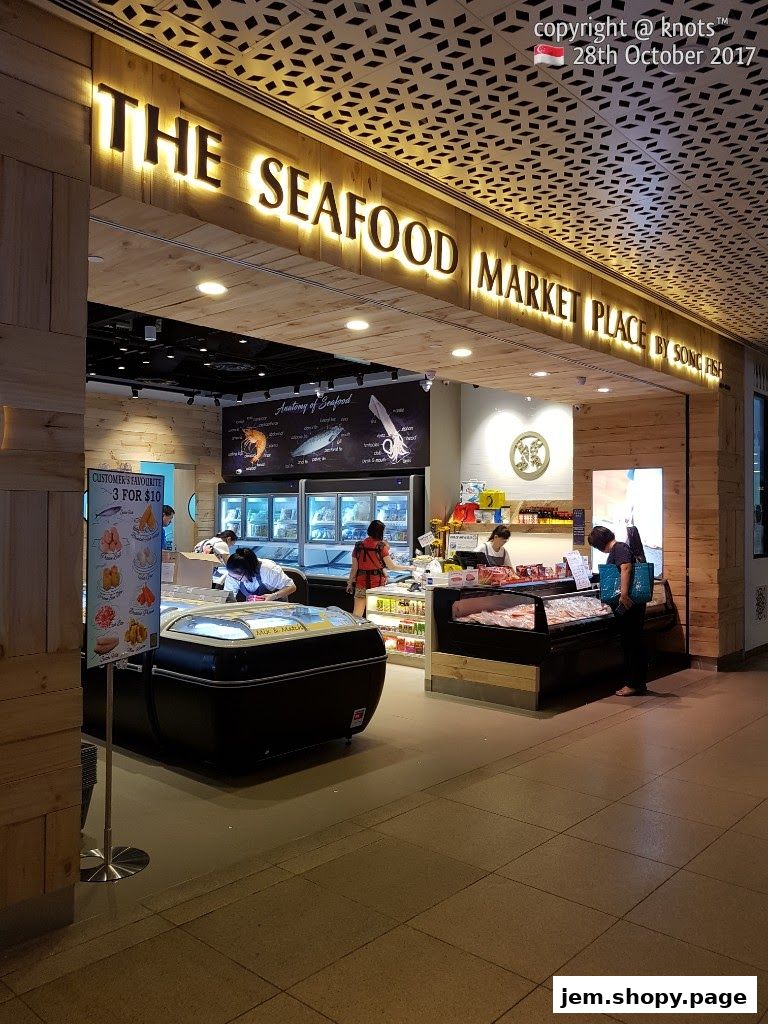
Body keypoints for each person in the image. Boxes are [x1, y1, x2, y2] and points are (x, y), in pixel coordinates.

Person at [588, 525, 648, 697]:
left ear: (599, 544)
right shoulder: (621, 547)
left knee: (631, 643)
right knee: (633, 642)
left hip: (629, 604)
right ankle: (637, 682)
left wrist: (623, 594)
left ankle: (632, 684)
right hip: (632, 604)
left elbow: (626, 568)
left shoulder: (619, 548)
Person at [346, 519, 414, 617]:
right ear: (380, 532)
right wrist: (409, 567)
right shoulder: (381, 547)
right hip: (377, 585)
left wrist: (349, 583)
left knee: (357, 614)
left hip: (361, 584)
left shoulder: (358, 546)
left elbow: (354, 568)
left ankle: (357, 631)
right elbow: (392, 566)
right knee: (376, 614)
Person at [224, 547, 296, 602]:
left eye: (238, 578)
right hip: (254, 610)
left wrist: (273, 596)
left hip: (277, 609)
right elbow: (228, 597)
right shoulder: (232, 574)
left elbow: (291, 587)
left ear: (248, 571)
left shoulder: (268, 569)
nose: (235, 580)